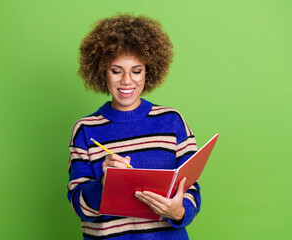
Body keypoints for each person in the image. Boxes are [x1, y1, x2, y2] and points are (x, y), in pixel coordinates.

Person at [67, 13, 201, 240]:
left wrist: (178, 211)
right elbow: (79, 206)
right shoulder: (85, 129)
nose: (127, 81)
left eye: (136, 71)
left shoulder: (172, 121)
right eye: (116, 71)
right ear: (102, 72)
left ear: (148, 71)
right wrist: (104, 182)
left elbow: (191, 190)